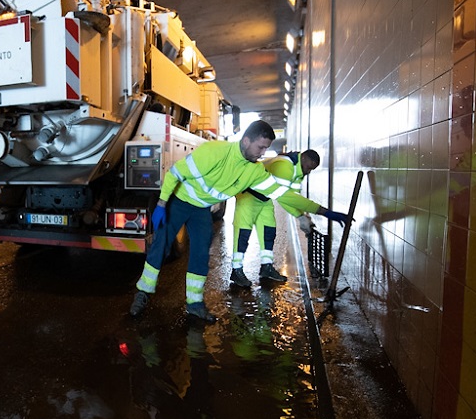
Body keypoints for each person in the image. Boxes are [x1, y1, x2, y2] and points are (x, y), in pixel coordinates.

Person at [130, 120, 343, 323]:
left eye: (265, 149)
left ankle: (194, 304)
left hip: (201, 209)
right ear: (246, 141)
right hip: (179, 201)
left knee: (201, 254)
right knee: (161, 246)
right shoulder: (214, 152)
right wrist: (161, 204)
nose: (262, 154)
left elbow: (284, 195)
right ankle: (143, 293)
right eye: (260, 148)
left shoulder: (255, 171)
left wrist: (323, 211)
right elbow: (174, 174)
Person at [230, 149, 344, 287]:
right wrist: (319, 212)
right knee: (243, 234)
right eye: (309, 168)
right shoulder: (285, 167)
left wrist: (304, 216)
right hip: (248, 196)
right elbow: (284, 198)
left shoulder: (298, 170)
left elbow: (294, 196)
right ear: (303, 159)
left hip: (265, 198)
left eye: (311, 170)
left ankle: (266, 267)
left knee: (268, 232)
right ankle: (236, 270)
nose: (308, 172)